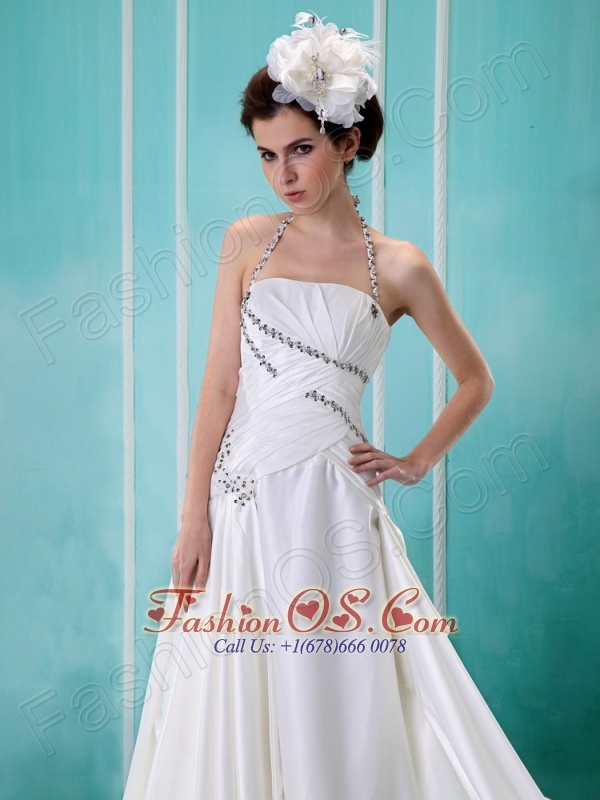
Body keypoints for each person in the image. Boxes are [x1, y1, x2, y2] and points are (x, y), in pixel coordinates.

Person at [123, 13, 551, 800]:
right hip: (241, 506)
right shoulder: (247, 242)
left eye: (300, 149)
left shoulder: (400, 266)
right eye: (266, 155)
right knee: (228, 690)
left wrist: (415, 461)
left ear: (348, 142)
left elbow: (476, 379)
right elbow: (219, 386)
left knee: (336, 700)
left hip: (333, 506)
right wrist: (194, 515)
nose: (282, 174)